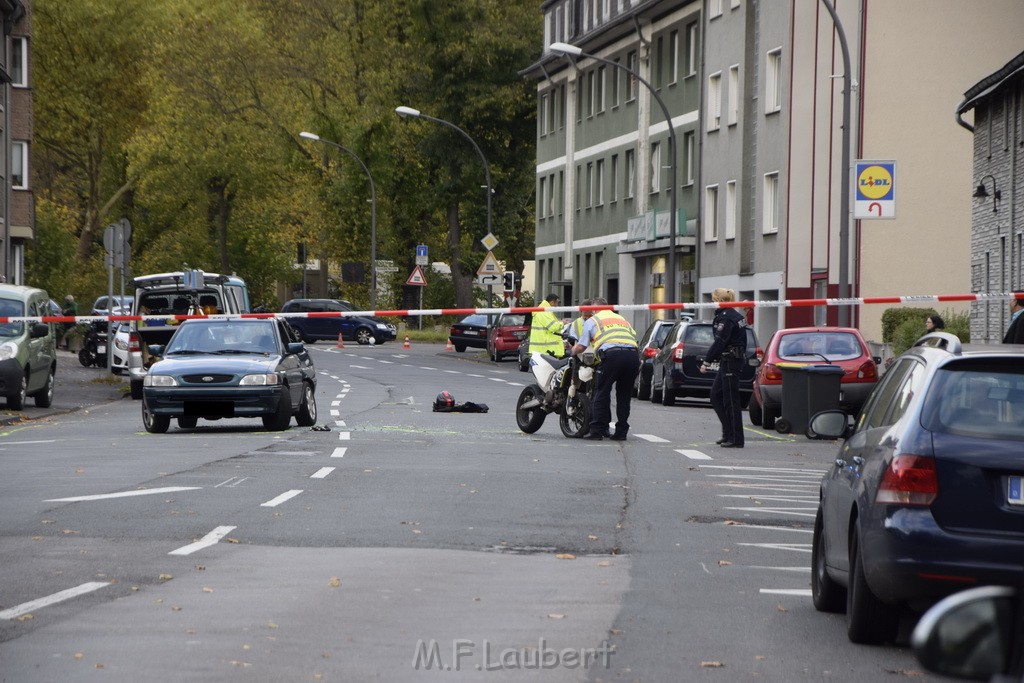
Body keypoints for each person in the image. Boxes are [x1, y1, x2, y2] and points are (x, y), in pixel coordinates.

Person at [572, 297, 638, 441]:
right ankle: (621, 432)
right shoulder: (621, 319)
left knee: (601, 391)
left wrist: (572, 351)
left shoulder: (593, 320)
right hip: (632, 356)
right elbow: (633, 336)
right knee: (624, 396)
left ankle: (596, 431)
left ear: (595, 309)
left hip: (612, 356)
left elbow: (582, 346)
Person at [701, 288, 748, 448]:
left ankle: (735, 438)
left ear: (719, 300)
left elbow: (720, 341)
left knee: (731, 400)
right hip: (729, 360)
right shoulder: (733, 315)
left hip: (732, 360)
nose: (713, 303)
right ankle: (728, 433)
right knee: (716, 395)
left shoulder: (727, 318)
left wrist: (706, 361)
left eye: (714, 299)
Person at [529, 293, 566, 358]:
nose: (557, 306)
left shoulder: (544, 311)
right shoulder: (544, 312)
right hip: (545, 350)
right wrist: (562, 323)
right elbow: (553, 327)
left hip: (542, 350)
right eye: (556, 303)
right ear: (552, 302)